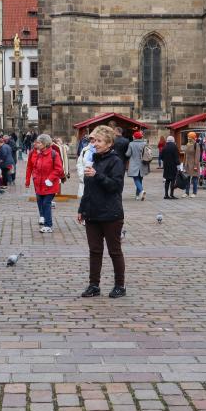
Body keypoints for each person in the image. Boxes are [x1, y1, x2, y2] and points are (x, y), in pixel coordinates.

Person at [77, 125, 127, 298]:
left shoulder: (115, 161)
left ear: (109, 143)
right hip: (92, 212)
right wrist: (82, 208)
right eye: (93, 140)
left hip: (110, 213)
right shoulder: (93, 159)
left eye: (98, 141)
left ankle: (120, 285)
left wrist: (97, 175)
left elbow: (115, 186)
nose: (95, 144)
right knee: (95, 251)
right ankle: (94, 285)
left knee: (114, 251)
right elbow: (88, 188)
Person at [26, 134, 64, 233]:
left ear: (44, 143)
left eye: (38, 142)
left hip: (49, 185)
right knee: (42, 203)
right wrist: (34, 177)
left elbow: (59, 169)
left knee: (46, 203)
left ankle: (48, 225)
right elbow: (35, 168)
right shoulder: (39, 154)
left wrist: (50, 179)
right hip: (39, 184)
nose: (36, 144)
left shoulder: (54, 154)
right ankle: (46, 222)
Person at [125, 130, 149, 200]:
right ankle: (138, 195)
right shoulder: (144, 143)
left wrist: (125, 153)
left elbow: (128, 154)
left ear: (135, 137)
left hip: (134, 164)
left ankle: (141, 191)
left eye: (133, 136)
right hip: (143, 163)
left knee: (136, 179)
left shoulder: (131, 144)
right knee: (140, 179)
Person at [182, 132, 202, 198]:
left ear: (193, 138)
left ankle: (194, 192)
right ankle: (186, 192)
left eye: (190, 138)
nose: (189, 139)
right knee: (187, 178)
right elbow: (185, 155)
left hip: (194, 165)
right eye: (188, 138)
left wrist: (196, 165)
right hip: (187, 164)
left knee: (195, 179)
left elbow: (197, 156)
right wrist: (184, 164)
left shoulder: (196, 145)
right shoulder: (187, 144)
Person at [75, 134, 95, 199]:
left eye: (94, 138)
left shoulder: (101, 150)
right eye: (91, 138)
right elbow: (79, 163)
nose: (93, 140)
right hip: (84, 178)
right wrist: (81, 175)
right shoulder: (85, 150)